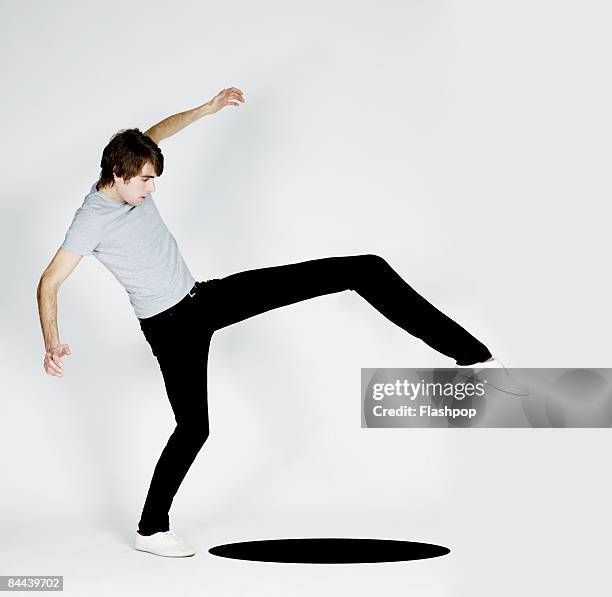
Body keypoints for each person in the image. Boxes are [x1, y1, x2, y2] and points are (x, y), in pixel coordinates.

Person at [36, 87, 527, 558]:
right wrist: (53, 342)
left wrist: (207, 109)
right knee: (194, 429)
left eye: (154, 178)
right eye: (144, 180)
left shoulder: (132, 158)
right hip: (170, 328)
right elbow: (49, 283)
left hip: (202, 298)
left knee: (363, 268)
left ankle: (473, 358)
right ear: (117, 175)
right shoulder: (90, 219)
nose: (152, 188)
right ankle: (151, 529)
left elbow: (158, 132)